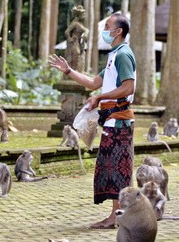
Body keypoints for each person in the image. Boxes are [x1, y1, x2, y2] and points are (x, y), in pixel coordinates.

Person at [48, 13, 136, 229]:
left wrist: (100, 97)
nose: (104, 31)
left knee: (118, 170)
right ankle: (116, 215)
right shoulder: (114, 56)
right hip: (110, 120)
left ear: (118, 32)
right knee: (111, 169)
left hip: (119, 121)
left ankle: (117, 217)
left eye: (107, 27)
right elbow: (93, 83)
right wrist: (68, 71)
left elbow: (128, 87)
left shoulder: (124, 54)